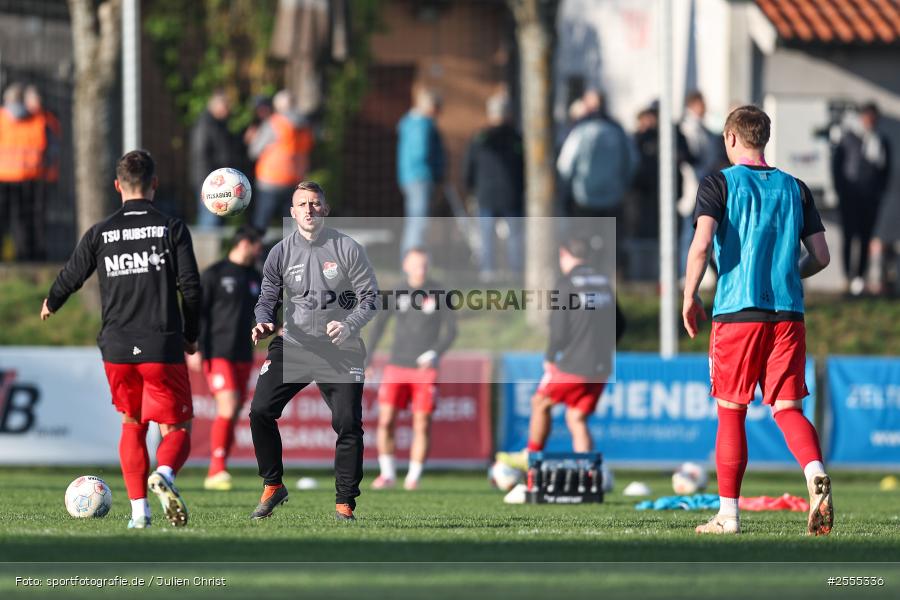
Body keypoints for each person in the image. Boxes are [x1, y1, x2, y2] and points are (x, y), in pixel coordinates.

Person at [683, 105, 833, 536]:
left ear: (731, 139)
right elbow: (822, 256)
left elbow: (700, 245)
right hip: (788, 314)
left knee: (731, 411)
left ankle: (728, 516)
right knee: (788, 409)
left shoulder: (719, 183)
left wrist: (689, 296)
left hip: (738, 313)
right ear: (763, 140)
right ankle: (815, 474)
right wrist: (788, 272)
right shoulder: (795, 187)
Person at [41, 150, 201, 529]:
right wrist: (191, 336)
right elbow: (191, 288)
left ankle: (138, 515)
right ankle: (164, 472)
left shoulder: (101, 232)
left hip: (116, 346)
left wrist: (52, 300)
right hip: (161, 343)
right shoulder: (171, 228)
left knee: (132, 424)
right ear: (155, 184)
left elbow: (72, 274)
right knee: (177, 429)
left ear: (117, 186)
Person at [248, 180, 378, 521]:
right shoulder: (279, 252)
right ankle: (273, 485)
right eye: (302, 204)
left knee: (348, 423)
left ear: (325, 209)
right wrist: (262, 322)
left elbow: (370, 298)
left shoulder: (348, 249)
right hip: (294, 344)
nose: (309, 209)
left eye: (315, 203)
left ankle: (344, 503)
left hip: (341, 349)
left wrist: (349, 324)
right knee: (260, 411)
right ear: (292, 213)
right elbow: (268, 299)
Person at [498, 238, 624, 471]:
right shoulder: (603, 283)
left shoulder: (566, 284)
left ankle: (531, 458)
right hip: (601, 367)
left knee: (540, 402)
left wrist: (550, 357)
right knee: (576, 417)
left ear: (564, 255)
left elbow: (558, 330)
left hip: (574, 365)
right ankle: (589, 474)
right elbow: (620, 324)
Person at [366, 248, 457, 490]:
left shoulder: (440, 292)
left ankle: (413, 477)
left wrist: (435, 352)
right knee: (386, 421)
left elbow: (451, 331)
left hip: (425, 370)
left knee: (422, 423)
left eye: (424, 264)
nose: (421, 268)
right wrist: (367, 359)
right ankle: (387, 474)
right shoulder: (395, 291)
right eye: (416, 264)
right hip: (396, 366)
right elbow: (378, 327)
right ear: (406, 265)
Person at [188, 225, 264, 491]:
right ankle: (216, 469)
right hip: (216, 351)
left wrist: (275, 328)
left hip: (243, 353)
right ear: (244, 243)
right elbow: (196, 311)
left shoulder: (256, 277)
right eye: (257, 245)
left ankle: (220, 467)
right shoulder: (214, 274)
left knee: (233, 414)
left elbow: (264, 313)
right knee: (228, 406)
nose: (260, 250)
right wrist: (193, 345)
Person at [831, 102, 892, 296]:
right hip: (850, 198)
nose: (870, 121)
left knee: (866, 238)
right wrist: (841, 191)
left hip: (870, 200)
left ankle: (859, 277)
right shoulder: (848, 139)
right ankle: (848, 276)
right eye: (867, 116)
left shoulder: (881, 141)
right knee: (849, 237)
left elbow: (886, 171)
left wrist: (878, 193)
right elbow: (837, 167)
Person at [463, 92, 525, 281]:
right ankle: (516, 273)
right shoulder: (516, 138)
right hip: (511, 195)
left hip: (486, 195)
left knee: (486, 236)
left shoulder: (480, 138)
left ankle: (488, 273)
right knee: (514, 237)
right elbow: (524, 168)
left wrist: (470, 188)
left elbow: (468, 167)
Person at [556, 90, 638, 220]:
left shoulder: (579, 132)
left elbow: (565, 165)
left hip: (583, 197)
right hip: (613, 196)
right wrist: (623, 185)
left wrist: (567, 190)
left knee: (584, 238)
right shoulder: (618, 131)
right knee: (610, 239)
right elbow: (632, 161)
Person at [248, 90, 314, 234]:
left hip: (270, 180)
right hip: (296, 180)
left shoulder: (274, 123)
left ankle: (257, 254)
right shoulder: (305, 125)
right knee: (292, 227)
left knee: (260, 225)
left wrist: (253, 138)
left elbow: (254, 150)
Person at [678, 91, 726, 277]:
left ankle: (702, 275)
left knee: (703, 237)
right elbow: (694, 160)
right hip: (694, 189)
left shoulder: (702, 129)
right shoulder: (688, 128)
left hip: (703, 187)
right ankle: (687, 275)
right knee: (690, 237)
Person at [0, 82, 48, 260]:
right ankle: (25, 255)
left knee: (5, 220)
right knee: (24, 221)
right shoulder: (37, 119)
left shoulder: (2, 119)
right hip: (29, 176)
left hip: (4, 177)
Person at [397, 86, 445, 254]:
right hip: (420, 177)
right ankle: (413, 262)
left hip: (409, 178)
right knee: (419, 223)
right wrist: (436, 172)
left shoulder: (408, 122)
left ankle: (412, 261)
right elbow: (421, 152)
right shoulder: (422, 125)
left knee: (414, 221)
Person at [191, 90, 243, 228]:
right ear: (217, 106)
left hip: (219, 179)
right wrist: (214, 179)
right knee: (210, 218)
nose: (228, 110)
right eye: (226, 106)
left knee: (218, 219)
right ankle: (205, 250)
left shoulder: (219, 124)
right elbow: (201, 154)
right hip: (210, 181)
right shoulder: (205, 124)